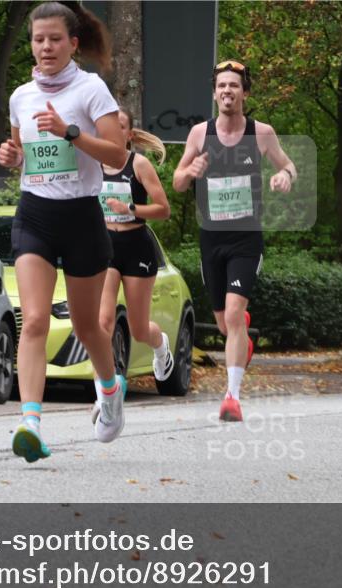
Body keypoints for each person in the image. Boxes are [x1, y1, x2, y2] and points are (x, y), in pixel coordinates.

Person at [0, 1, 128, 462]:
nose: (46, 47)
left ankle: (110, 391)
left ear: (73, 43)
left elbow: (117, 155)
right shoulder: (20, 97)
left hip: (81, 218)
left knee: (87, 324)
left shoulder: (91, 90)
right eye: (38, 39)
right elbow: (24, 156)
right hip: (34, 213)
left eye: (54, 39)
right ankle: (30, 421)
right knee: (31, 320)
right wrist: (13, 158)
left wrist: (71, 132)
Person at [172, 59, 296, 422]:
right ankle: (242, 341)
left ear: (245, 92)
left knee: (233, 314)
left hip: (246, 238)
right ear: (214, 93)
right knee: (227, 325)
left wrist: (285, 177)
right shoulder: (199, 134)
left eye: (235, 86)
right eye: (222, 85)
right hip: (211, 239)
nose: (228, 91)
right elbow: (178, 182)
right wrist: (189, 172)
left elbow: (288, 165)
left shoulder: (261, 133)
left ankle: (232, 397)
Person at [96, 109, 174, 400]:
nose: (112, 131)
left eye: (120, 126)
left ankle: (161, 345)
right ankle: (105, 393)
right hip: (105, 246)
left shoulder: (138, 164)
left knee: (138, 329)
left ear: (128, 135)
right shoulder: (92, 164)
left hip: (137, 245)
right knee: (102, 322)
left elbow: (163, 209)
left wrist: (129, 209)